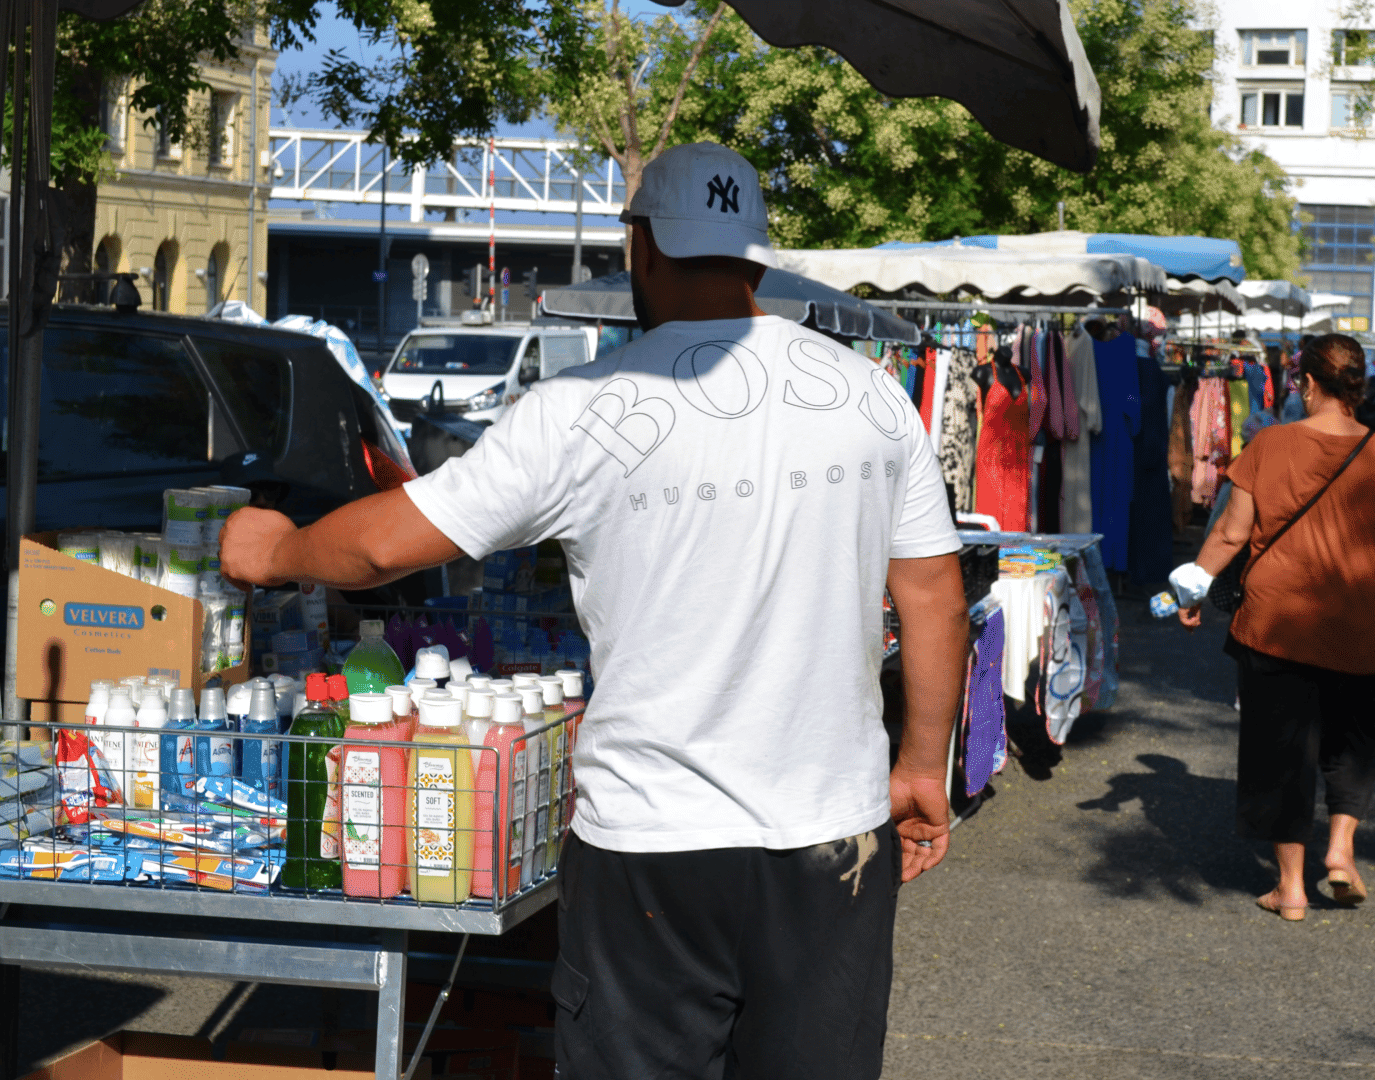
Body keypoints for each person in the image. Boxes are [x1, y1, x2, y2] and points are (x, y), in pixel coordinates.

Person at [220, 143, 969, 1079]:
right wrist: (921, 761)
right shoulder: (868, 395)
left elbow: (384, 546)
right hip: (830, 839)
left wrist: (276, 550)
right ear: (755, 254)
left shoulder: (580, 407)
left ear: (641, 245)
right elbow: (935, 594)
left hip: (651, 844)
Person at [1169, 334, 1375, 921]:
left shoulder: (1269, 445)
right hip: (1362, 623)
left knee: (1279, 749)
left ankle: (1290, 888)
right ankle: (1340, 851)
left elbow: (1228, 534)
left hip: (1276, 623)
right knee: (1353, 738)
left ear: (1308, 383)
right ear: (1360, 386)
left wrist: (1190, 588)